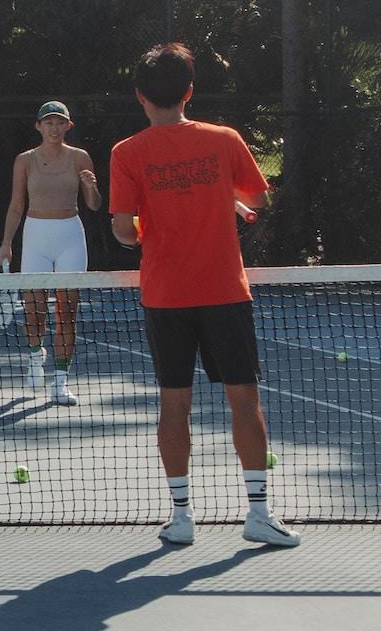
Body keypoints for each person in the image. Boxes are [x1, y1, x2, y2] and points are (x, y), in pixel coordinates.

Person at [109, 42, 298, 549]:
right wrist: (228, 203)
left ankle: (181, 517)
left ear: (139, 97)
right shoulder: (225, 140)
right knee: (244, 400)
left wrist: (152, 227)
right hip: (223, 293)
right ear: (189, 92)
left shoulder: (126, 153)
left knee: (174, 405)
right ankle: (258, 514)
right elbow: (257, 199)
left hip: (165, 296)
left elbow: (124, 232)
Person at [0, 101, 102, 405]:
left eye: (60, 123)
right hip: (36, 236)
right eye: (48, 123)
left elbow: (93, 205)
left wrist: (91, 187)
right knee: (34, 310)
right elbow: (17, 204)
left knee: (67, 312)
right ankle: (34, 359)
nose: (54, 128)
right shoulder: (25, 161)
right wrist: (6, 242)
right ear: (39, 127)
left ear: (68, 126)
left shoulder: (80, 157)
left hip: (70, 234)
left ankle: (60, 382)